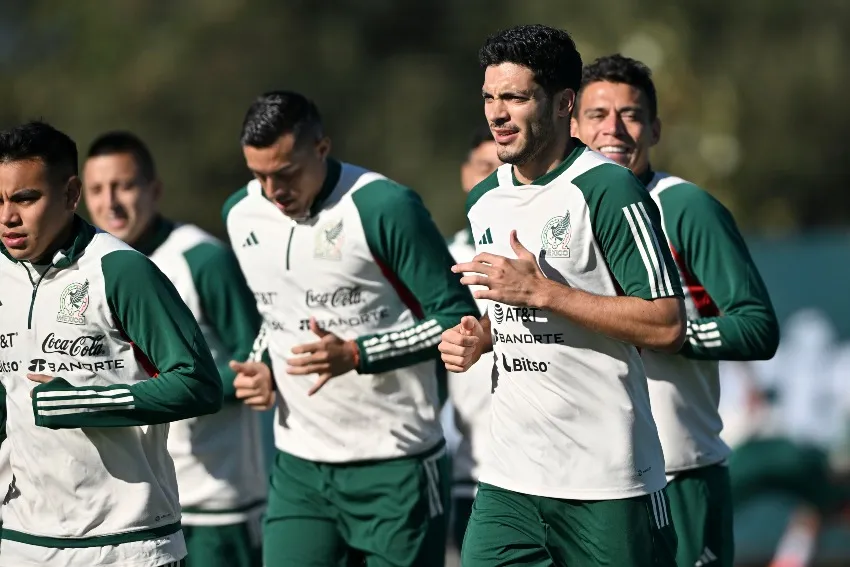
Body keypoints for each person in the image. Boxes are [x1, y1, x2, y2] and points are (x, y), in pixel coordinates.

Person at [438, 25, 685, 566]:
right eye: (489, 97)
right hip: (508, 479)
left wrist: (543, 293)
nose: (496, 114)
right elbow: (509, 314)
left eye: (515, 98)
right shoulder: (484, 200)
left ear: (562, 103)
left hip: (606, 482)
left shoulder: (608, 188)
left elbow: (666, 323)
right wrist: (479, 337)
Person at [222, 90, 480, 567]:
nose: (273, 191)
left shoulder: (385, 206)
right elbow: (275, 312)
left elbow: (457, 318)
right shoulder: (240, 214)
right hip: (300, 468)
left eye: (286, 173)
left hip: (397, 464)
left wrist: (359, 354)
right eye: (258, 176)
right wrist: (262, 366)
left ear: (322, 149)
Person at [571, 53, 780, 567]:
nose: (613, 129)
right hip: (584, 480)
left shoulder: (685, 207)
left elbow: (757, 328)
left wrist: (670, 333)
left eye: (632, 114)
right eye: (597, 115)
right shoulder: (559, 212)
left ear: (656, 128)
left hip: (680, 471)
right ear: (572, 125)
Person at [0, 121, 222, 567]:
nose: (8, 216)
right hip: (22, 543)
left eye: (25, 198)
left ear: (70, 194)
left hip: (128, 546)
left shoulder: (122, 270)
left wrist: (84, 403)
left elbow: (199, 383)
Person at [81, 131, 268, 567]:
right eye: (96, 190)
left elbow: (259, 359)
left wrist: (172, 390)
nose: (111, 202)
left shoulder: (201, 259)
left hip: (214, 501)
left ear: (155, 189)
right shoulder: (81, 270)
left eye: (123, 185)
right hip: (124, 506)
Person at [443, 123, 502, 548]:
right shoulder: (443, 258)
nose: (494, 178)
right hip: (476, 468)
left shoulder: (544, 251)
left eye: (503, 167)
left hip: (562, 467)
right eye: (484, 166)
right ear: (466, 174)